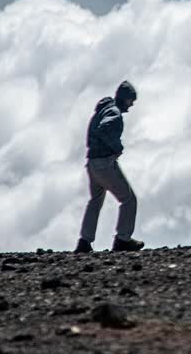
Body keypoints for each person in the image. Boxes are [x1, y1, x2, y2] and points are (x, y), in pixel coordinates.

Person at [75, 80, 145, 253]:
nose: (132, 104)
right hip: (104, 163)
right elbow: (103, 129)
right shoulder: (114, 112)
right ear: (124, 98)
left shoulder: (103, 110)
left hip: (92, 163)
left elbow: (95, 130)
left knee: (95, 201)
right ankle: (122, 239)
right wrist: (117, 147)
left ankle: (84, 242)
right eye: (131, 100)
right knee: (129, 199)